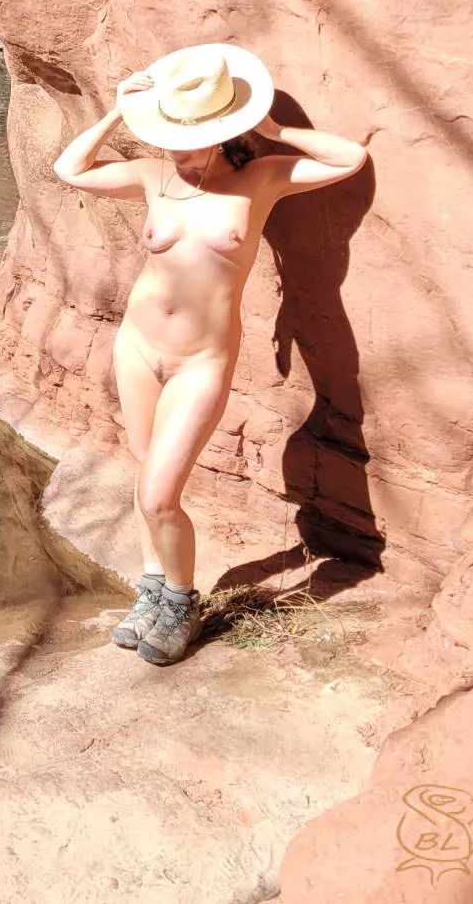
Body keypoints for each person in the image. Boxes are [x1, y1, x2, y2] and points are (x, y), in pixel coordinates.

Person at [51, 43, 368, 667]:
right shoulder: (153, 176)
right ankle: (152, 590)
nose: (180, 152)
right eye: (171, 137)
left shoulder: (262, 178)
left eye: (193, 140)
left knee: (158, 494)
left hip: (200, 362)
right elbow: (71, 167)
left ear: (225, 132)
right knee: (145, 476)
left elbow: (350, 158)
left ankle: (181, 602)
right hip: (136, 349)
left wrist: (274, 129)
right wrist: (118, 112)